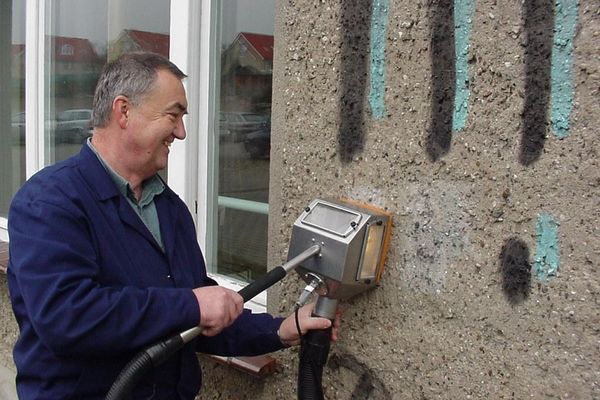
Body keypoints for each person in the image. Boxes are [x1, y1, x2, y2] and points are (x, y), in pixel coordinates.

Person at [7, 52, 338, 400]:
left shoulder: (168, 208)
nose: (180, 132)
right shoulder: (49, 202)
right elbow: (67, 318)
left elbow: (200, 316)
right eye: (173, 115)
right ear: (123, 111)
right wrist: (192, 305)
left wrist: (281, 329)